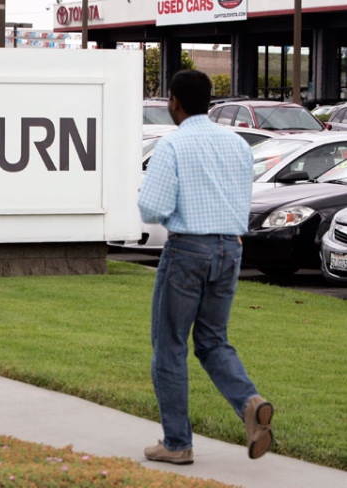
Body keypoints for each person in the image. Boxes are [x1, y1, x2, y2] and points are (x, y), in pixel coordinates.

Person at [137, 70, 273, 465]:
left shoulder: (172, 145)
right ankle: (251, 403)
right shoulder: (237, 145)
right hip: (230, 249)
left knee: (169, 347)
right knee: (214, 341)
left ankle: (177, 443)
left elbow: (152, 207)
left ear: (175, 102)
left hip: (186, 251)